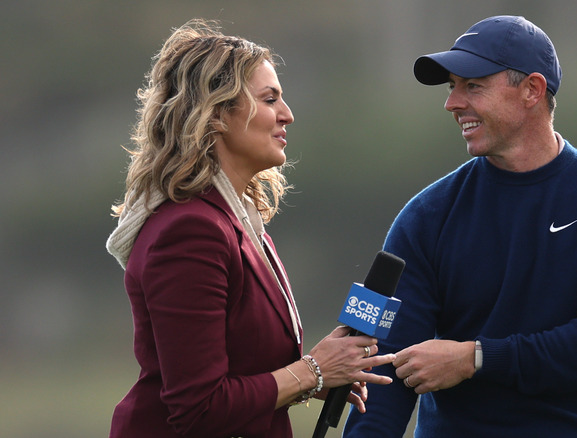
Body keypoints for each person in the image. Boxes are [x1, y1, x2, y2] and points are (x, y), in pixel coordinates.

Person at [343, 15, 577, 437]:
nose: (452, 103)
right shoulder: (427, 215)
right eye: (451, 87)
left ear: (532, 90)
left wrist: (474, 358)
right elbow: (387, 370)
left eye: (472, 86)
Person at [105, 19, 395, 438]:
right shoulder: (190, 231)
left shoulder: (238, 221)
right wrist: (312, 371)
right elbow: (199, 409)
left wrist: (321, 371)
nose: (287, 115)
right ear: (218, 114)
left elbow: (240, 370)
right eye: (269, 98)